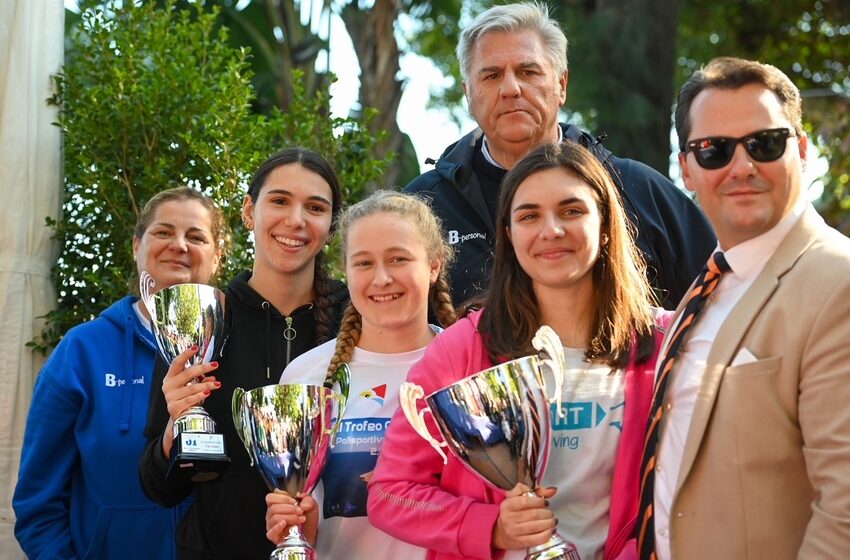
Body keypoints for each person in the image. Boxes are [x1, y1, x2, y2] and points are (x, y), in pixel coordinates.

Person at [369, 141, 673, 560]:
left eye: (572, 211)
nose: (551, 230)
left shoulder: (665, 343)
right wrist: (489, 527)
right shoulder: (462, 348)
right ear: (509, 235)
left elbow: (695, 487)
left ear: (605, 225)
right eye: (529, 215)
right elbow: (391, 494)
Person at [637, 56, 850, 560]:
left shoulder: (837, 282)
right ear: (686, 169)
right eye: (713, 150)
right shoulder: (704, 288)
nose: (742, 166)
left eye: (765, 143)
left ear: (800, 149)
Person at [405, 1, 716, 309]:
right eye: (491, 76)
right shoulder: (423, 209)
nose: (511, 88)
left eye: (528, 71)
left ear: (561, 84)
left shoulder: (635, 188)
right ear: (467, 93)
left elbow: (722, 301)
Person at [139, 148, 349, 559]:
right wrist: (173, 432)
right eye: (280, 201)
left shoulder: (358, 318)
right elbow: (158, 488)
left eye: (315, 207)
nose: (296, 220)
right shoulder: (202, 318)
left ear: (331, 225)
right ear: (249, 211)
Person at [13, 187, 225, 559]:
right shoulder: (82, 351)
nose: (179, 245)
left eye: (196, 236)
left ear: (217, 256)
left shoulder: (236, 346)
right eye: (163, 232)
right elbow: (38, 505)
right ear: (136, 246)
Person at [264, 191, 457, 558]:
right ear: (346, 271)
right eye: (364, 263)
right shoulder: (306, 375)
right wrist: (297, 527)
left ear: (433, 266)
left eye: (398, 259)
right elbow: (300, 506)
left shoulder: (470, 363)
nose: (381, 278)